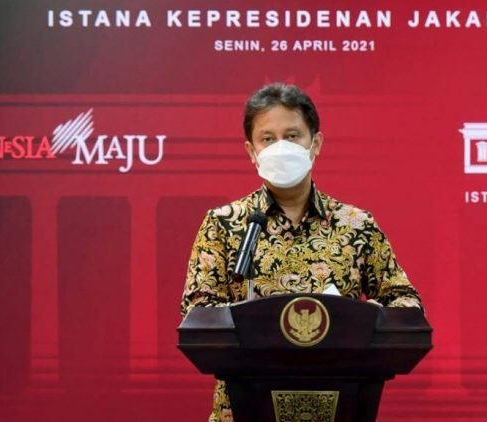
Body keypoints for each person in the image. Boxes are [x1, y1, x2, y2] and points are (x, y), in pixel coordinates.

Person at [180, 83, 424, 422]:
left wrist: (367, 318)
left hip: (339, 404)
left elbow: (406, 303)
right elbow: (197, 315)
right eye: (268, 138)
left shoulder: (356, 225)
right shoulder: (224, 224)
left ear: (315, 144)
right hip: (245, 409)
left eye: (292, 136)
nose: (280, 147)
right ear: (251, 151)